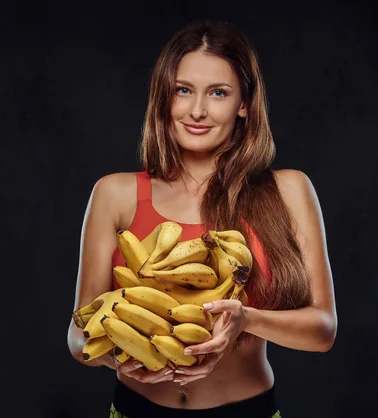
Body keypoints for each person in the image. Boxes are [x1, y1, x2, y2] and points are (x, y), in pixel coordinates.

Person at [66, 18, 337, 418]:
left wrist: (246, 319)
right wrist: (117, 358)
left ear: (244, 103)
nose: (197, 110)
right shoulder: (114, 193)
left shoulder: (287, 190)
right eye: (183, 90)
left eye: (218, 93)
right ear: (164, 98)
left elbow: (323, 330)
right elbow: (79, 332)